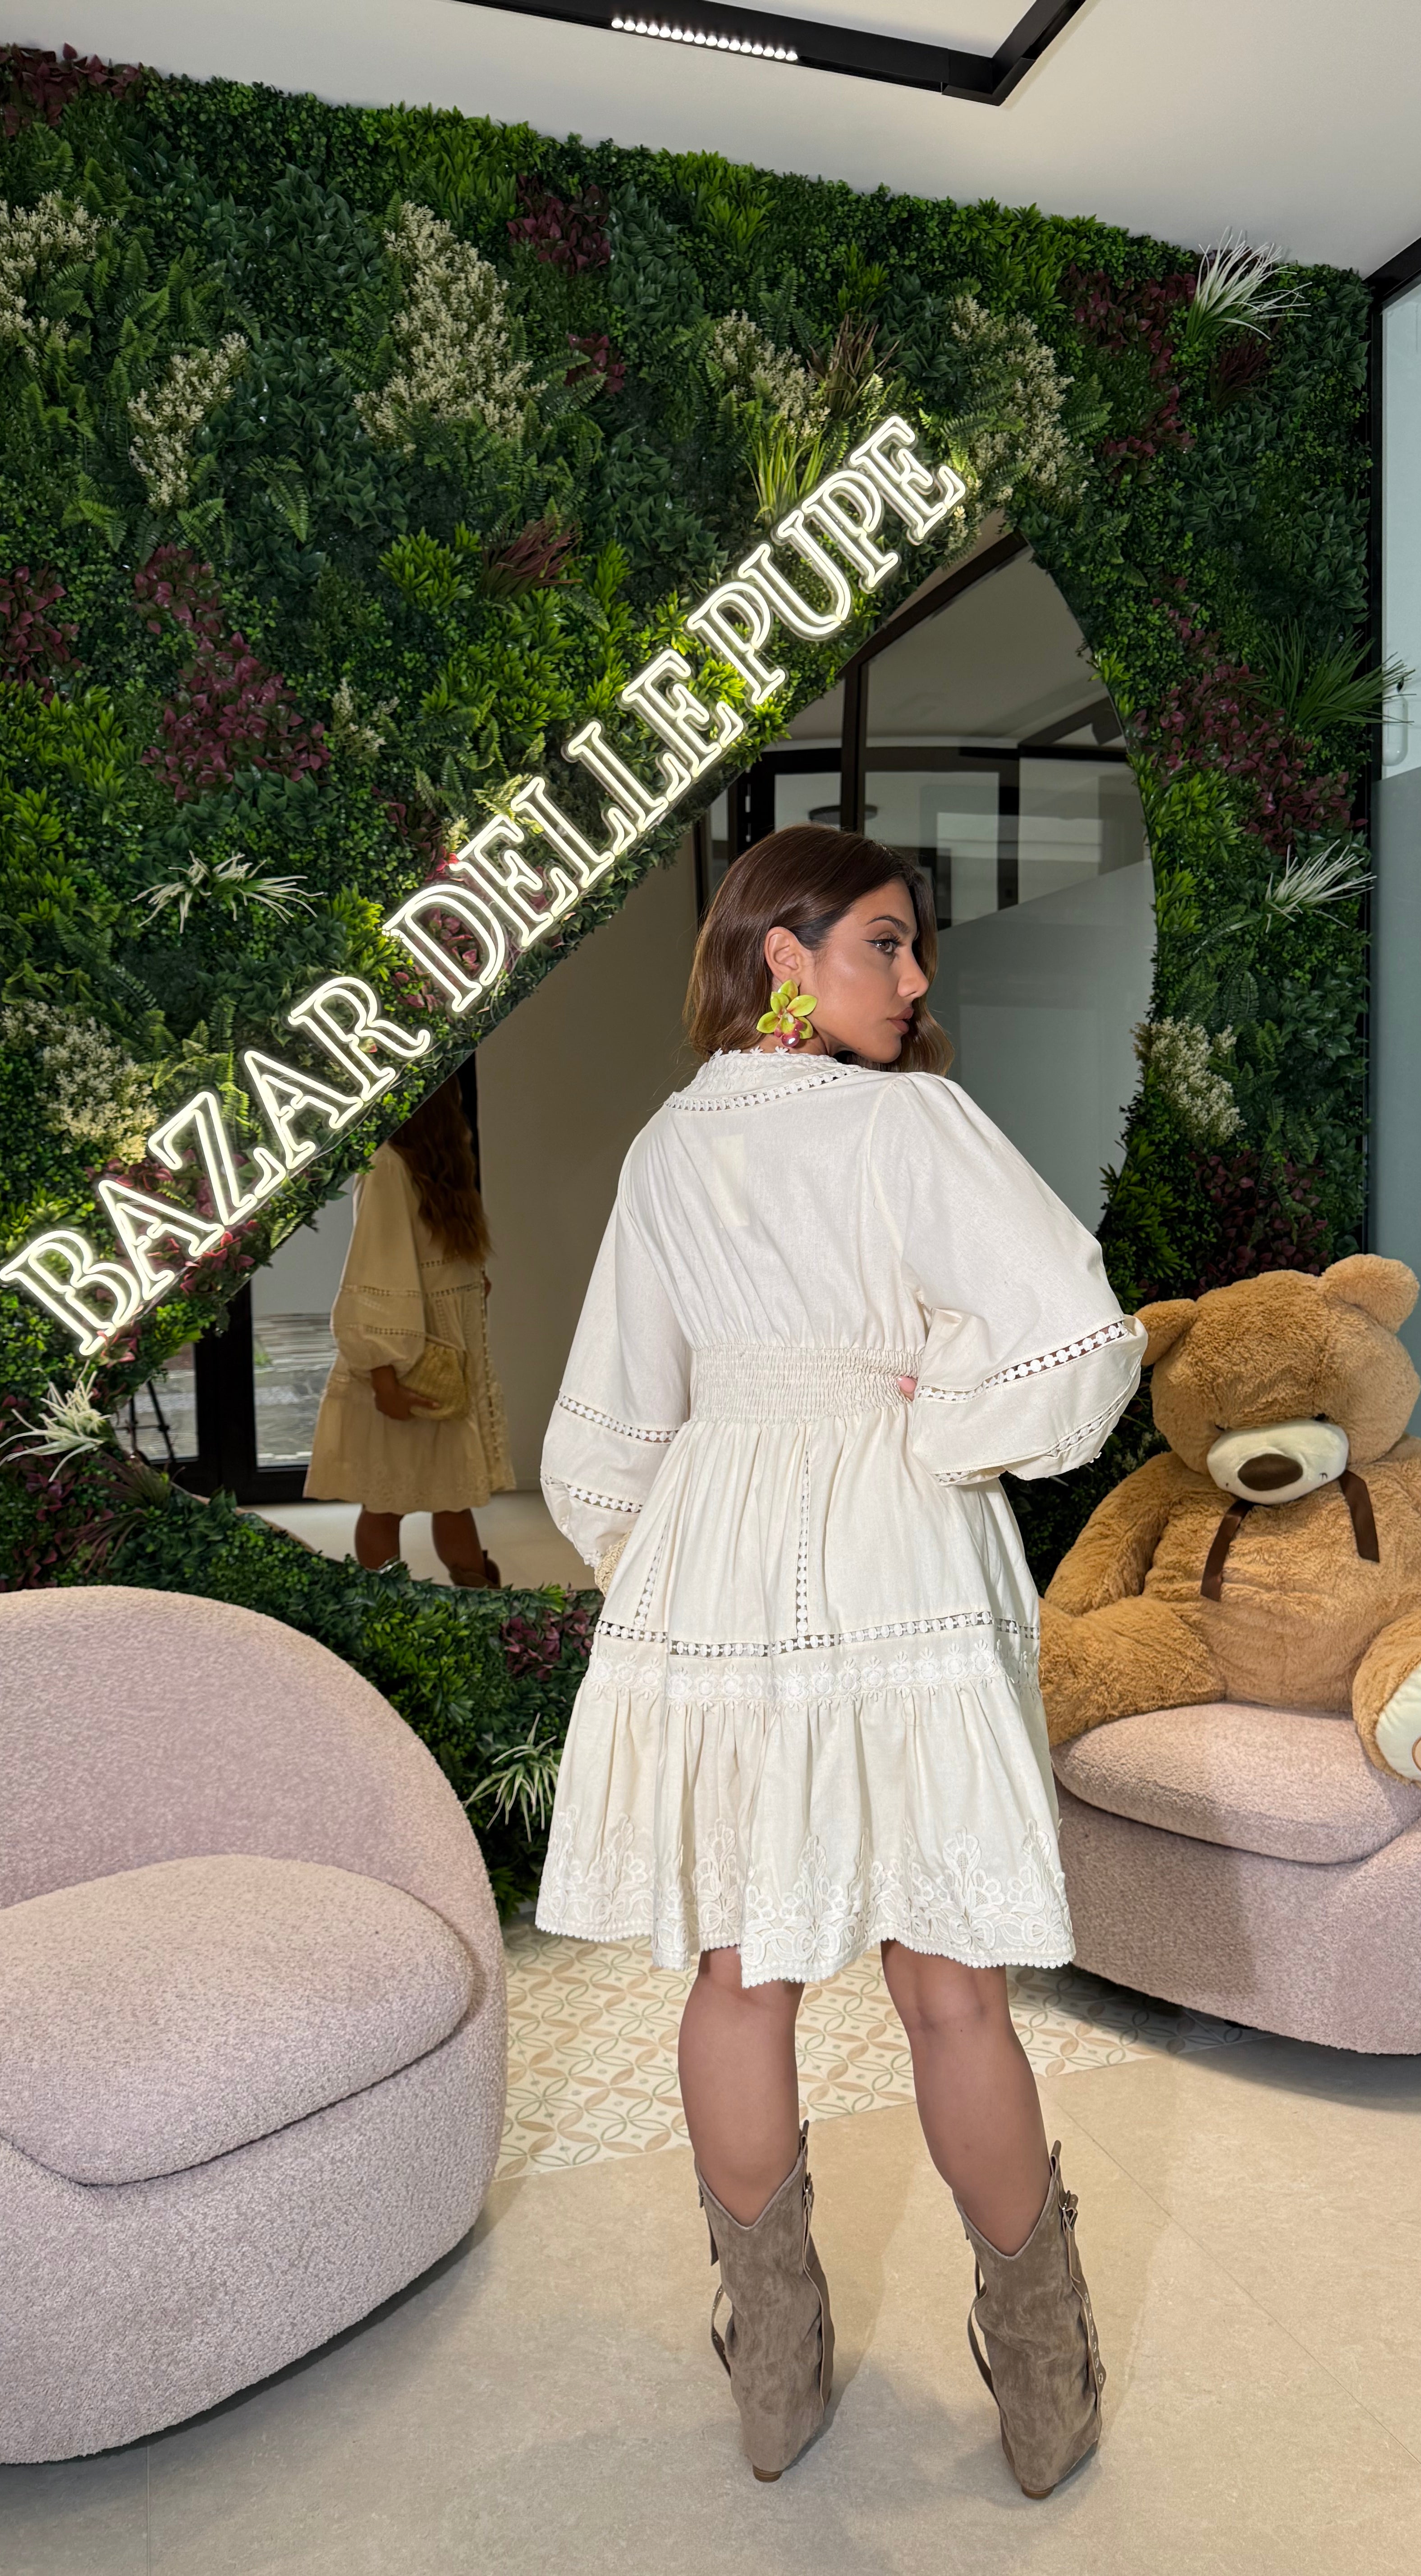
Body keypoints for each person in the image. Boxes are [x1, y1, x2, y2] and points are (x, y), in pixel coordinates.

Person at [535, 825, 1144, 2494]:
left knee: (740, 1971)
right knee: (950, 1984)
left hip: (718, 1550)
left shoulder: (667, 1147)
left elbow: (609, 1430)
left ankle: (775, 2372)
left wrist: (667, 1567)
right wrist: (939, 1425)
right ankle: (1044, 2382)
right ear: (783, 955)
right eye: (885, 939)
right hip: (895, 1546)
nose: (915, 974)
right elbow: (1077, 1341)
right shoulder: (909, 1121)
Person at [305, 1075, 514, 1583]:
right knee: (414, 1499)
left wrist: (386, 1378)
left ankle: (423, 1604)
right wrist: (383, 1378)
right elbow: (382, 1272)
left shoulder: (402, 1163)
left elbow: (385, 1268)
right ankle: (446, 1602)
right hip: (415, 1359)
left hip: (419, 1360)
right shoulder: (414, 1164)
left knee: (429, 1498)